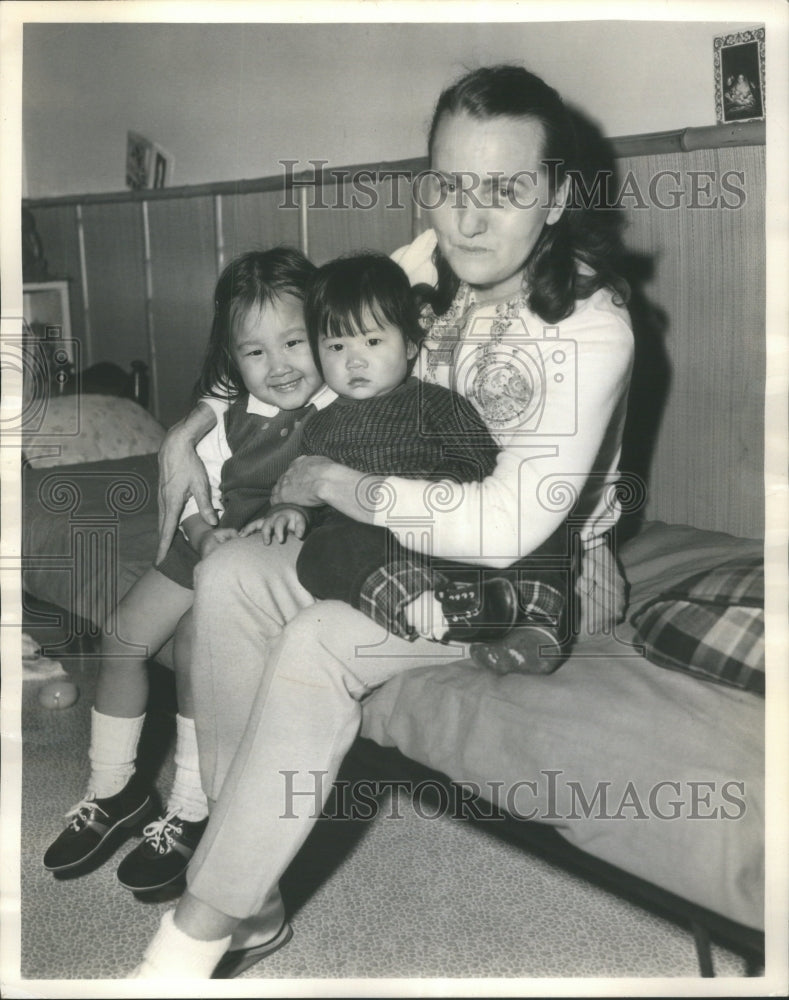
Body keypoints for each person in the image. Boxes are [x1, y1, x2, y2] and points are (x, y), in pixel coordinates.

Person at [136, 64, 634, 979]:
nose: (471, 218)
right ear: (427, 185)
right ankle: (257, 901)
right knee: (228, 573)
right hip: (392, 545)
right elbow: (300, 329)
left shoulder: (591, 326)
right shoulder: (435, 255)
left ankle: (192, 936)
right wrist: (191, 425)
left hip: (529, 572)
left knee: (323, 636)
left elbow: (504, 528)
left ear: (558, 196)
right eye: (449, 186)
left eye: (507, 189)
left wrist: (340, 487)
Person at [43, 247, 332, 893]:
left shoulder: (344, 406)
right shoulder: (225, 415)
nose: (278, 365)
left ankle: (193, 808)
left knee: (199, 653)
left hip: (267, 559)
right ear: (232, 359)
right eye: (255, 352)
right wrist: (204, 533)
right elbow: (193, 507)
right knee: (122, 638)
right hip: (206, 540)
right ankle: (113, 791)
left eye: (294, 341)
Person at [244, 251, 569, 663]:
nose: (354, 360)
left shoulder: (435, 403)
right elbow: (312, 497)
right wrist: (293, 510)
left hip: (452, 533)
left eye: (373, 341)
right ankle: (426, 609)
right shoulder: (320, 426)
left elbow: (478, 460)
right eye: (336, 345)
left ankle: (535, 621)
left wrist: (439, 488)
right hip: (378, 547)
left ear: (412, 343)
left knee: (532, 508)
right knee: (321, 552)